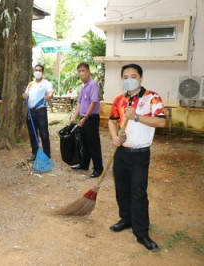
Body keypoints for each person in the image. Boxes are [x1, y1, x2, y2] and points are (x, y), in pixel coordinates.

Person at [108, 63, 166, 251]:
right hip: (121, 152)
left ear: (141, 78)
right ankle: (126, 220)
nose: (129, 79)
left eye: (133, 76)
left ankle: (141, 233)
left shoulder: (152, 97)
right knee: (122, 190)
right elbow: (112, 120)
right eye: (125, 77)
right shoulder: (119, 99)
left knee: (138, 193)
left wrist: (137, 117)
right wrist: (115, 137)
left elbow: (161, 121)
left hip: (140, 155)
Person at [69, 62, 103, 178]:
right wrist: (74, 117)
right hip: (83, 118)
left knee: (93, 144)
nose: (81, 73)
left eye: (83, 70)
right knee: (84, 143)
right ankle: (84, 164)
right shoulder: (82, 86)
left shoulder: (93, 85)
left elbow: (94, 103)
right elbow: (79, 103)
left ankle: (98, 169)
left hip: (91, 118)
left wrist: (85, 118)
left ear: (88, 71)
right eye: (79, 71)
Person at [22, 64, 54, 162]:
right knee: (32, 134)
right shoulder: (30, 84)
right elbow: (26, 94)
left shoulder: (46, 83)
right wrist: (24, 96)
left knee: (44, 133)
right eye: (36, 70)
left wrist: (49, 96)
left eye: (40, 70)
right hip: (31, 112)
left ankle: (47, 155)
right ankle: (35, 153)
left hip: (41, 112)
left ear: (43, 72)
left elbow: (50, 93)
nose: (38, 72)